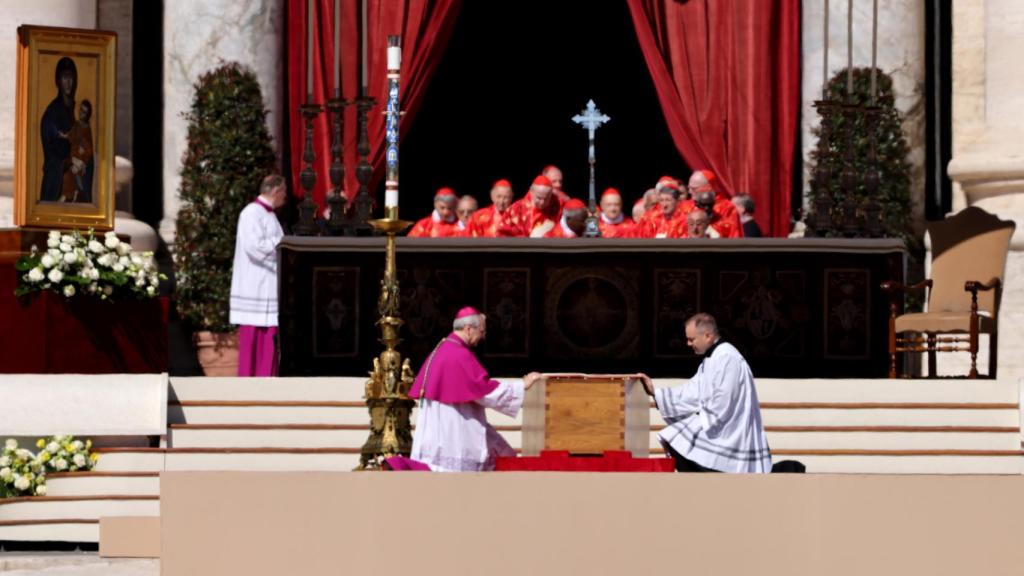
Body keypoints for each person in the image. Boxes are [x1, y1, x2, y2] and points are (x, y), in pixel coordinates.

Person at [409, 307, 544, 471]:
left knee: (502, 453)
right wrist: (522, 385)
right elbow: (484, 390)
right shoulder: (459, 355)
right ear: (468, 329)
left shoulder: (443, 348)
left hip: (442, 432)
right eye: (482, 330)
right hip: (454, 430)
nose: (483, 336)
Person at [636, 313, 772, 473]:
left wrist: (700, 421)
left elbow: (723, 403)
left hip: (732, 433)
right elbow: (693, 391)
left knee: (677, 438)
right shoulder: (712, 359)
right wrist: (656, 393)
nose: (688, 343)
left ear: (707, 336)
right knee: (674, 438)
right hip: (721, 427)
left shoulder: (728, 358)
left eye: (691, 339)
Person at [230, 174, 287, 377]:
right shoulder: (251, 213)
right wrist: (280, 247)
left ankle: (267, 379)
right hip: (254, 285)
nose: (285, 197)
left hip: (269, 285)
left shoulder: (270, 215)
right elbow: (253, 247)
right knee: (253, 337)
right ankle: (248, 383)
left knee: (270, 335)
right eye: (284, 192)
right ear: (275, 191)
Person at [40, 57, 77, 202]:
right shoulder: (52, 113)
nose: (68, 82)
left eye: (71, 77)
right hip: (56, 184)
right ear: (58, 81)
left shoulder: (74, 109)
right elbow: (55, 151)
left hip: (72, 182)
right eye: (64, 77)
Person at [688, 169, 742, 238]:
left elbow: (732, 232)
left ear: (708, 187)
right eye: (689, 188)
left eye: (694, 188)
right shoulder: (688, 205)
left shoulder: (727, 207)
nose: (689, 192)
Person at [61, 99, 94, 203]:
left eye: (84, 112)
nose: (81, 113)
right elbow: (70, 136)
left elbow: (88, 149)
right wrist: (62, 135)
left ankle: (75, 196)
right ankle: (68, 196)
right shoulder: (77, 124)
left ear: (87, 115)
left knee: (76, 181)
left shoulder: (86, 128)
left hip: (80, 163)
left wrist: (81, 162)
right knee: (67, 176)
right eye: (81, 110)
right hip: (73, 158)